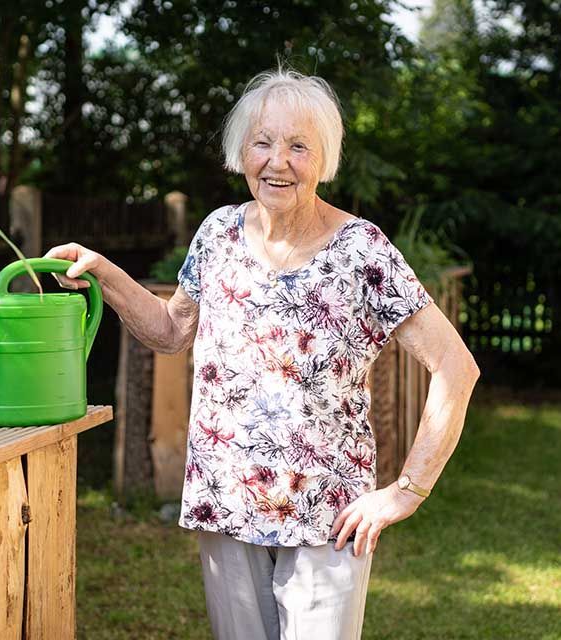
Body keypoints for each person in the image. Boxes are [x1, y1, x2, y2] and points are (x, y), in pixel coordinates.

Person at [44, 67, 480, 640]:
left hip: (328, 517)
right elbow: (173, 331)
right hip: (227, 501)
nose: (279, 161)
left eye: (299, 146)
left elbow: (456, 366)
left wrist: (407, 490)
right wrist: (101, 272)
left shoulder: (362, 250)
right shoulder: (218, 233)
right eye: (263, 142)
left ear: (323, 158)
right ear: (240, 152)